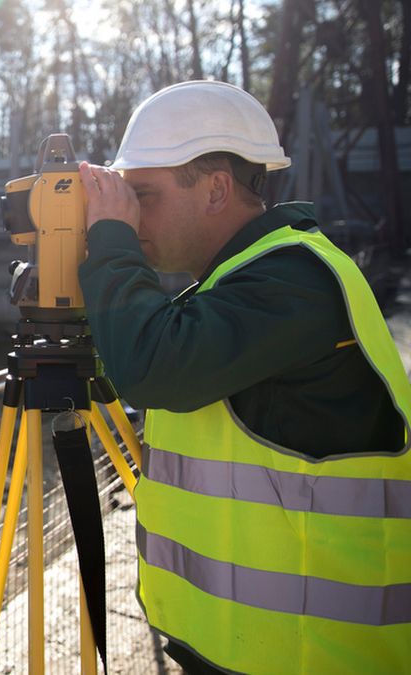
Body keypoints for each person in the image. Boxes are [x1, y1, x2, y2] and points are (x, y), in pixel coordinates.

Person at [77, 80, 411, 674]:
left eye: (142, 195)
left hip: (320, 655)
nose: (129, 213)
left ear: (215, 190)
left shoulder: (295, 280)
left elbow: (155, 368)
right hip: (245, 645)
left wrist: (109, 241)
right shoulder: (237, 286)